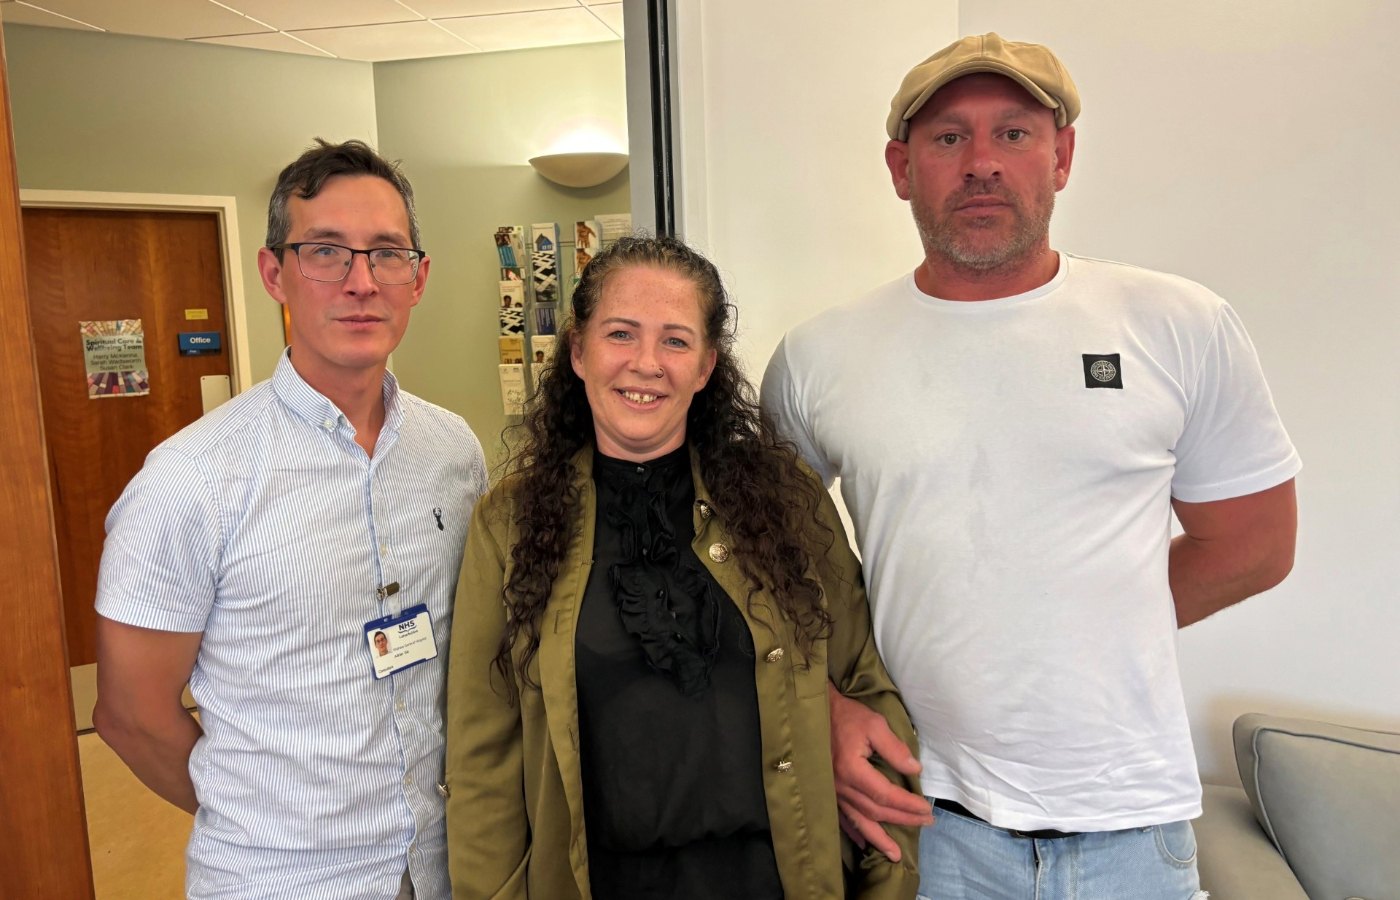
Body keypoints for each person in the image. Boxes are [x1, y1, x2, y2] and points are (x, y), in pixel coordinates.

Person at [761, 33, 1300, 899]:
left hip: (1132, 833)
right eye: (947, 138)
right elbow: (759, 562)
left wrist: (1085, 618)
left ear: (1064, 156)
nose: (981, 164)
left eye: (1013, 133)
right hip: (921, 825)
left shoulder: (1177, 324)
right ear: (901, 168)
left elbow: (1255, 544)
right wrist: (823, 704)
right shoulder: (819, 358)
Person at [444, 236, 921, 899]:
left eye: (674, 340)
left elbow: (864, 686)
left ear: (706, 366)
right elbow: (482, 760)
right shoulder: (510, 524)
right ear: (578, 351)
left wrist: (889, 880)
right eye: (621, 334)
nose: (646, 364)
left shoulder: (783, 500)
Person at [93, 139, 488, 900]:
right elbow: (131, 718)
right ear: (275, 272)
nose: (361, 282)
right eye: (326, 253)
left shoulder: (453, 451)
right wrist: (262, 819)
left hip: (443, 867)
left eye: (387, 254)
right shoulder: (192, 481)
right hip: (283, 880)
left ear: (420, 277)